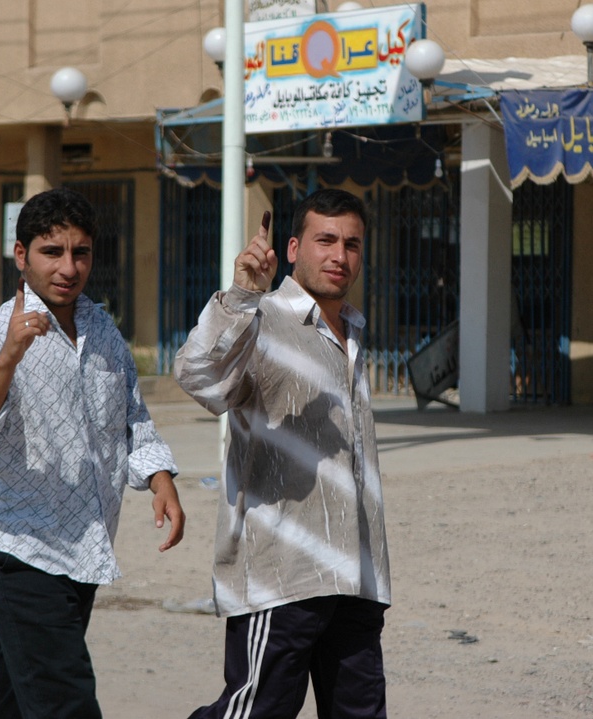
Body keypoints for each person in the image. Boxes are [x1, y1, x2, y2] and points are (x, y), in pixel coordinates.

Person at [0, 187, 185, 719]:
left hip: (80, 548)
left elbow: (131, 417)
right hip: (14, 546)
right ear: (22, 255)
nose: (69, 267)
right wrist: (8, 357)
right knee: (65, 697)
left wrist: (160, 478)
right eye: (53, 252)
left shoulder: (102, 331)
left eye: (81, 253)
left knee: (15, 698)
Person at [174, 188, 390, 719]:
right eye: (325, 241)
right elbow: (199, 377)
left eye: (352, 244)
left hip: (357, 578)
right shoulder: (263, 318)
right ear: (293, 248)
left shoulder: (354, 330)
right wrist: (241, 296)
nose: (340, 256)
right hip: (282, 578)